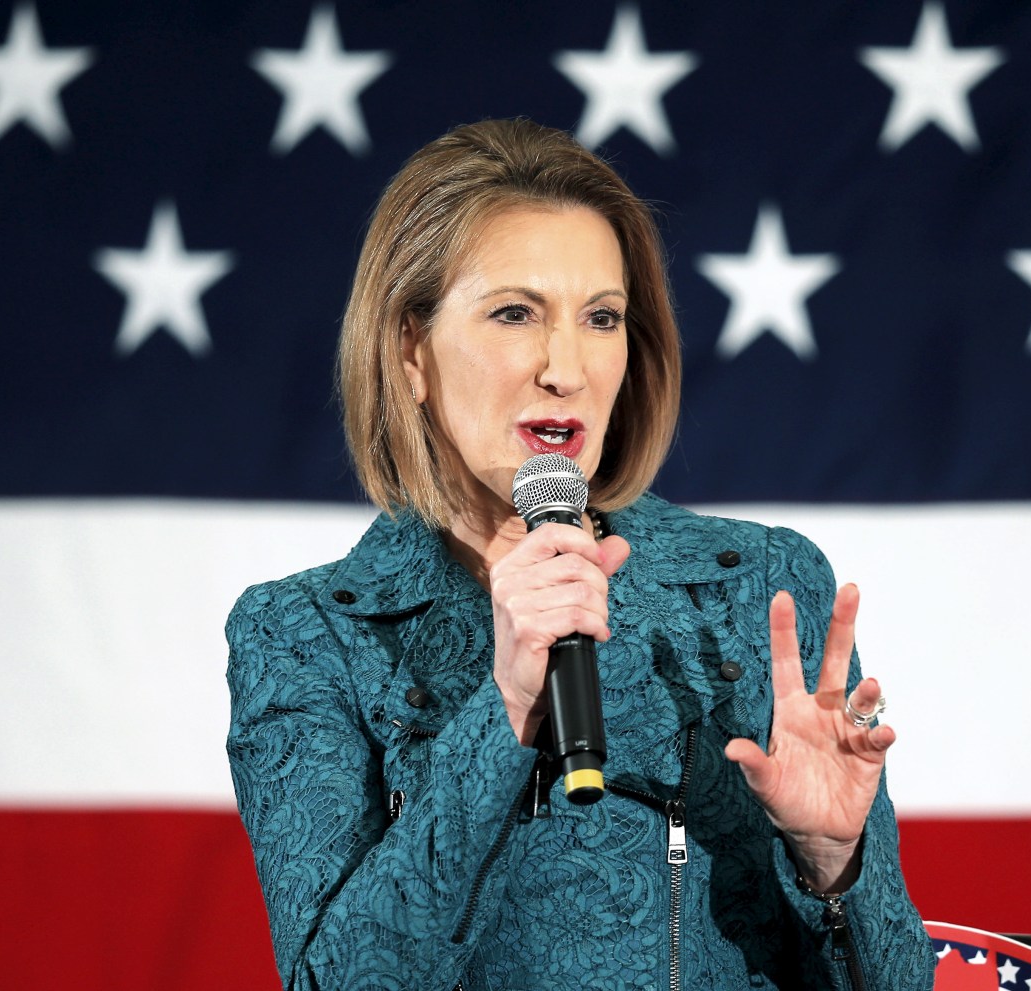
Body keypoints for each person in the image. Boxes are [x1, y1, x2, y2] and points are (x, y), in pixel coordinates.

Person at [226, 118, 934, 990]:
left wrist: (835, 861)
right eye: (516, 313)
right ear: (410, 348)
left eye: (601, 318)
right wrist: (504, 708)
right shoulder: (304, 634)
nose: (566, 367)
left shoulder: (758, 590)